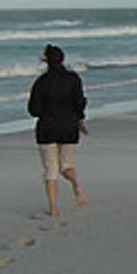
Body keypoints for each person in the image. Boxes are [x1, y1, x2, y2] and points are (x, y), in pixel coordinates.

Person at [28, 44, 88, 217]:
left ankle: (53, 208)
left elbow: (34, 110)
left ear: (46, 61)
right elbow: (80, 102)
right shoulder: (73, 79)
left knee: (50, 169)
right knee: (66, 166)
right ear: (62, 59)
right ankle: (76, 185)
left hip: (47, 128)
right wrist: (80, 120)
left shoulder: (41, 82)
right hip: (69, 126)